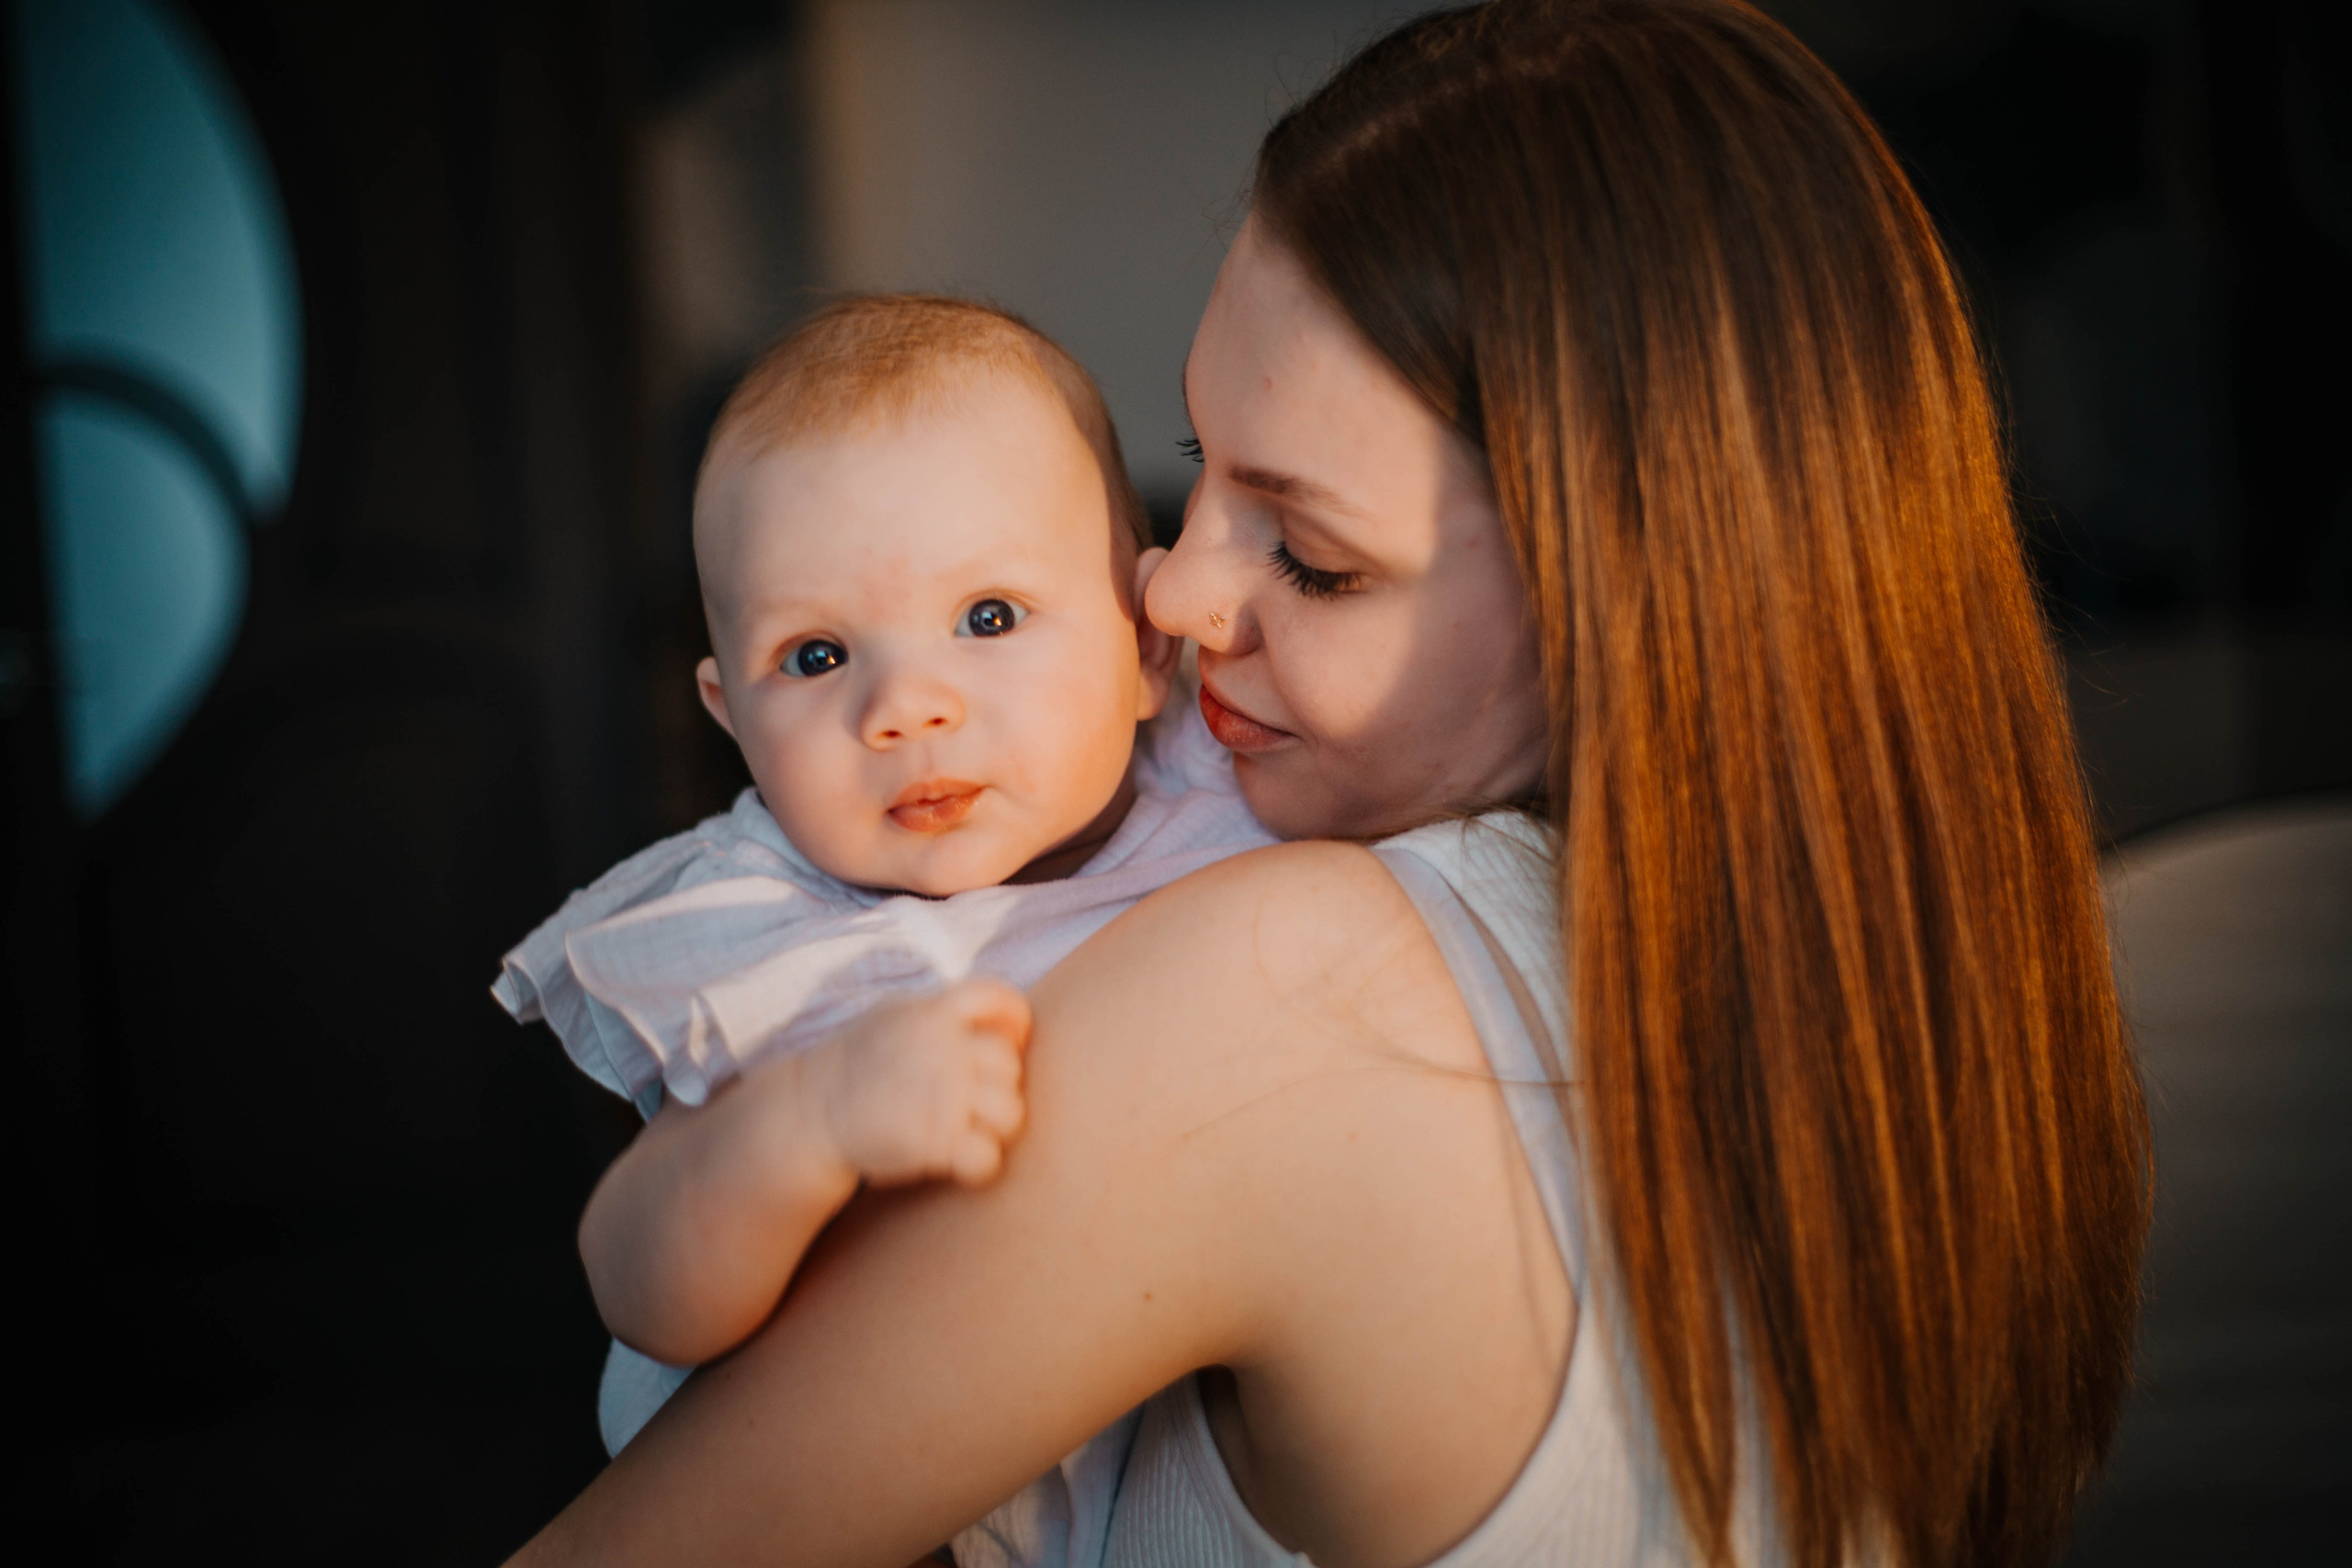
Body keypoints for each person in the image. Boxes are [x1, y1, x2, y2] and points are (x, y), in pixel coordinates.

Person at [513, 3, 2150, 1565]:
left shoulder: (1302, 988)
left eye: (1309, 555)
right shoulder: (1938, 1042)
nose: (1173, 594)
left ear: (1628, 611)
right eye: (1198, 464)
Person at [489, 295, 1270, 1508]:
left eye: (989, 618)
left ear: (1148, 651)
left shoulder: (1228, 804)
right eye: (816, 657)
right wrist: (812, 1121)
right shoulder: (777, 930)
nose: (905, 706)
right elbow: (630, 1277)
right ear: (729, 720)